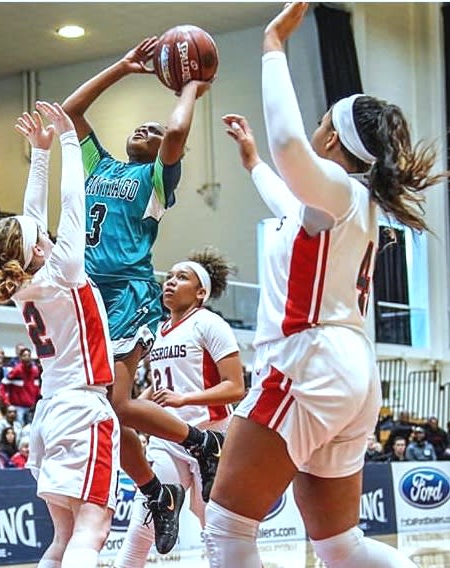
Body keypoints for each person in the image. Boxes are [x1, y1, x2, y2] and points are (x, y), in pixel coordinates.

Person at [203, 3, 447, 567]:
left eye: (322, 122)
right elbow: (289, 201)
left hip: (307, 358)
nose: (312, 128)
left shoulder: (337, 187)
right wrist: (252, 164)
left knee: (227, 527)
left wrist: (272, 46)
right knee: (341, 545)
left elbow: (290, 144)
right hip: (352, 370)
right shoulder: (348, 202)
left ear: (334, 137)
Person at [62, 37, 222, 554]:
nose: (146, 130)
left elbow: (176, 129)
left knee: (116, 403)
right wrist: (123, 66)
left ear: (161, 155)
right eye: (141, 126)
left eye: (153, 132)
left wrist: (191, 86)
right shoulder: (100, 166)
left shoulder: (154, 179)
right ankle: (158, 490)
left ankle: (197, 444)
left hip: (129, 294)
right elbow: (69, 112)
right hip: (87, 296)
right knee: (105, 410)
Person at [0, 101, 120, 568]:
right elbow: (74, 202)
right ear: (36, 248)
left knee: (63, 536)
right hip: (82, 407)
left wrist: (40, 153)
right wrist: (69, 140)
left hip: (49, 413)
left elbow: (31, 216)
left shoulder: (26, 285)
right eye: (41, 234)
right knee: (93, 530)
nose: (48, 232)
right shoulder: (65, 270)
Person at [115, 249, 244, 567]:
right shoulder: (155, 331)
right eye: (169, 276)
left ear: (201, 292)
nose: (170, 282)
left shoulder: (210, 324)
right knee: (142, 525)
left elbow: (235, 387)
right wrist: (135, 406)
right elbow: (161, 385)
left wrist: (185, 399)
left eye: (181, 277)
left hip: (211, 438)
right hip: (166, 439)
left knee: (214, 528)